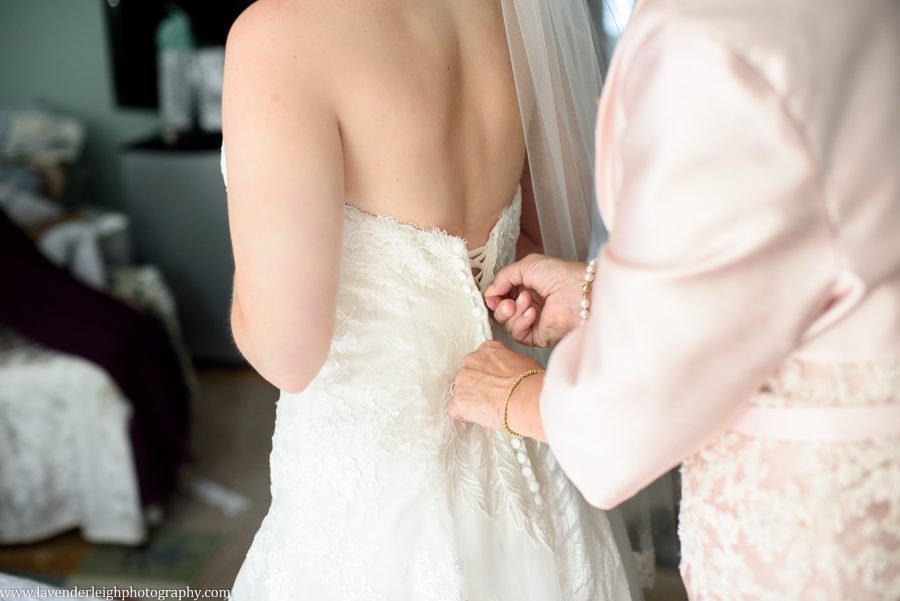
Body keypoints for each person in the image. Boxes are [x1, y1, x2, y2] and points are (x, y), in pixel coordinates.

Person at [449, 0, 900, 598]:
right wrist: (600, 291)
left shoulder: (709, 36)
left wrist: (524, 397)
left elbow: (634, 409)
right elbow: (804, 232)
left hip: (813, 518)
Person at [219, 0, 638, 598]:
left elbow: (287, 351)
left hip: (372, 493)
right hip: (517, 441)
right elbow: (543, 246)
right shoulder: (515, 14)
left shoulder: (279, 33)